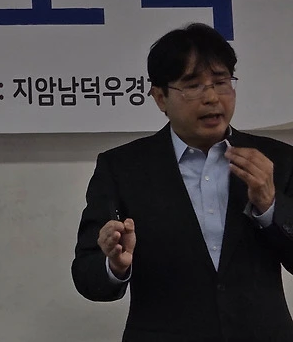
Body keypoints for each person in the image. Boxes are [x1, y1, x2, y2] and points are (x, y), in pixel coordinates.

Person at [71, 22, 293, 341]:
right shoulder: (122, 168)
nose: (212, 98)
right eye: (193, 85)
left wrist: (270, 206)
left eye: (221, 82)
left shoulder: (277, 160)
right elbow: (87, 275)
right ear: (160, 97)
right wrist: (115, 265)